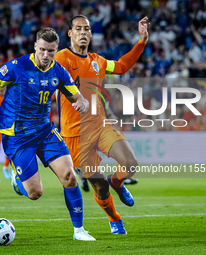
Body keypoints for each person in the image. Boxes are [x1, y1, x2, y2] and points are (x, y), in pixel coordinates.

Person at [0, 28, 95, 241]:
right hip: (18, 136)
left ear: (56, 50)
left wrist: (82, 103)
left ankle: (79, 231)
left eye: (51, 51)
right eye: (42, 50)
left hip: (45, 131)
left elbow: (78, 97)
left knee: (70, 177)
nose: (46, 55)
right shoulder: (17, 67)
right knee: (35, 193)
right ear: (35, 46)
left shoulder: (59, 72)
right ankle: (19, 181)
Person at [54, 15, 149, 234]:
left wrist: (141, 41)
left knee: (130, 164)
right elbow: (49, 77)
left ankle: (118, 182)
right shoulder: (62, 58)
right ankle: (114, 218)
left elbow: (123, 66)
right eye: (78, 29)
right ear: (70, 33)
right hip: (74, 136)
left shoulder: (98, 61)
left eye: (86, 29)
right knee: (100, 186)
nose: (83, 33)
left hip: (100, 126)